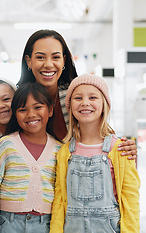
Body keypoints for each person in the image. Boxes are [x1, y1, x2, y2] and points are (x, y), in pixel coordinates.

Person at [17, 29, 138, 158]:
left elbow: (99, 132)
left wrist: (122, 146)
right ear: (29, 61)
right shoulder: (16, 98)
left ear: (64, 60)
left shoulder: (76, 96)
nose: (48, 64)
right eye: (40, 57)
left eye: (56, 57)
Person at [49, 74, 140, 233]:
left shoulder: (119, 149)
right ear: (69, 107)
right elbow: (59, 200)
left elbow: (130, 199)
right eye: (78, 98)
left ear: (104, 105)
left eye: (93, 97)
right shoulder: (64, 152)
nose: (85, 102)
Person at [0, 82, 62, 233]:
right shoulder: (6, 145)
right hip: (7, 224)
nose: (31, 114)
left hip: (44, 226)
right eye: (23, 110)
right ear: (15, 114)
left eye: (38, 107)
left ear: (50, 110)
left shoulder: (60, 150)